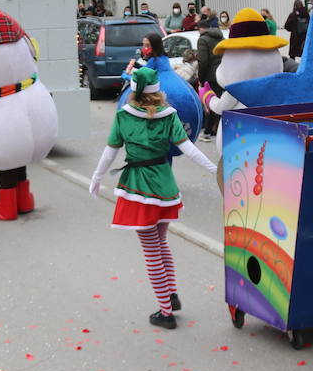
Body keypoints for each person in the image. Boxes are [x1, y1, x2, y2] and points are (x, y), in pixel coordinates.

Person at [89, 66, 217, 329]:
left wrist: (97, 178)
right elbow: (189, 150)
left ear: (133, 90)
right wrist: (217, 171)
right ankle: (171, 295)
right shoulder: (169, 116)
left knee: (151, 252)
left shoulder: (125, 117)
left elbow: (110, 152)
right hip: (165, 185)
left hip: (139, 188)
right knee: (161, 243)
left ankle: (165, 312)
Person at [195, 22, 225, 140]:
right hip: (222, 74)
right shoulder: (221, 37)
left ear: (201, 28)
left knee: (209, 102)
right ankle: (216, 129)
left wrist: (201, 78)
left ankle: (208, 131)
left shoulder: (203, 40)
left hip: (210, 76)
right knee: (219, 101)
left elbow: (203, 61)